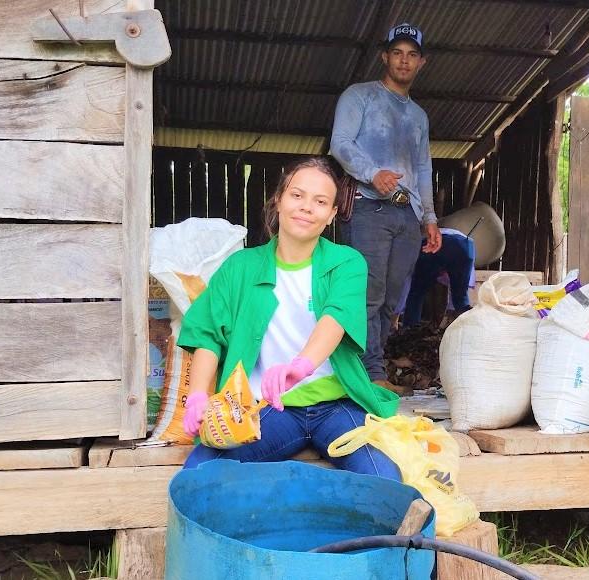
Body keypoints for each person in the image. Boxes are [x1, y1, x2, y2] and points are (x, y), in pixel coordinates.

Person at [178, 157, 400, 480]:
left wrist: (301, 366)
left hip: (336, 405)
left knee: (383, 476)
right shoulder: (240, 267)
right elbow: (209, 334)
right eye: (297, 195)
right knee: (200, 472)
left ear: (332, 215)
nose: (307, 207)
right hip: (267, 408)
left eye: (320, 201)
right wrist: (198, 394)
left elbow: (336, 318)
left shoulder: (347, 263)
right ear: (278, 201)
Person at [330, 22, 442, 391]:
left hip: (405, 214)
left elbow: (423, 168)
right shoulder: (359, 96)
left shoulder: (419, 116)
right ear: (385, 57)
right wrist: (372, 173)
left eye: (412, 55)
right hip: (368, 208)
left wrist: (428, 217)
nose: (404, 61)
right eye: (397, 53)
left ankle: (372, 371)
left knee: (391, 299)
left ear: (422, 62)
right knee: (367, 294)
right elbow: (341, 143)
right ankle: (365, 375)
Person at [402, 228, 476, 327]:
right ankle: (469, 330)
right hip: (467, 245)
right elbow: (461, 290)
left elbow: (406, 288)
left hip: (434, 244)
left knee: (416, 293)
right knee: (460, 297)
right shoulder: (462, 251)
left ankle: (409, 329)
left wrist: (397, 313)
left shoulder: (413, 250)